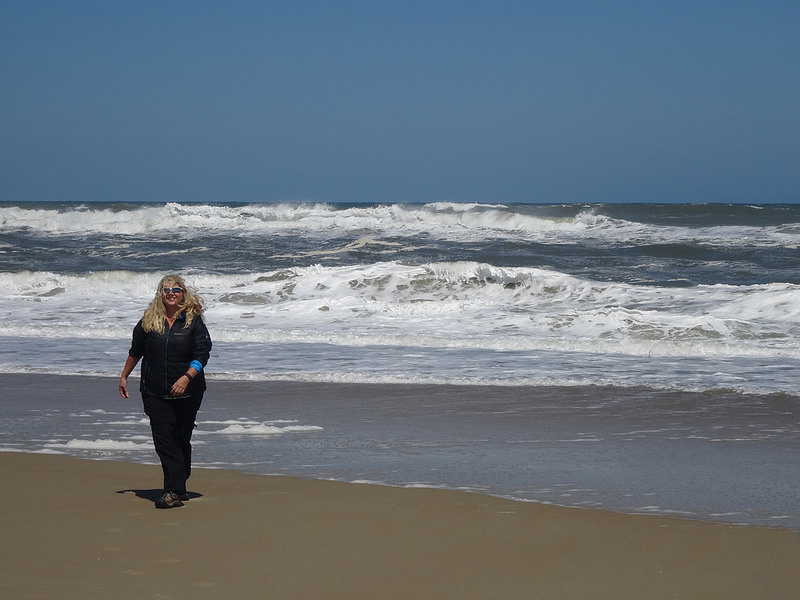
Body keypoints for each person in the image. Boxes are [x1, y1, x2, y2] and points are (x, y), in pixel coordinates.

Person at [119, 275, 212, 509]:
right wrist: (124, 376)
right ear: (160, 294)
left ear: (183, 294)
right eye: (166, 290)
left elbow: (202, 355)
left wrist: (186, 377)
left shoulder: (194, 322)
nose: (170, 293)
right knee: (165, 441)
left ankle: (179, 482)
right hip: (154, 391)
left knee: (181, 437)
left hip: (189, 392)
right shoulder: (148, 321)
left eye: (176, 289)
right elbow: (136, 351)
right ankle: (173, 491)